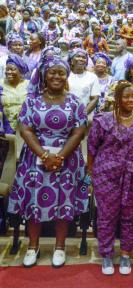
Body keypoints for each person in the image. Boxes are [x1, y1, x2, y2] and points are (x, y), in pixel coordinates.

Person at [7, 57, 89, 268]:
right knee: (34, 202)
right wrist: (44, 155)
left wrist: (60, 156)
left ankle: (59, 247)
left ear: (66, 76)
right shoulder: (32, 100)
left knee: (64, 201)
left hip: (67, 159)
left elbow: (79, 131)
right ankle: (33, 247)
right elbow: (25, 130)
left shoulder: (75, 102)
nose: (57, 76)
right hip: (35, 159)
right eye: (52, 72)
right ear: (43, 74)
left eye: (61, 72)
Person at [88, 81, 133, 275]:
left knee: (131, 216)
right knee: (107, 215)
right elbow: (92, 147)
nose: (131, 100)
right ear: (117, 99)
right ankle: (107, 254)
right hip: (106, 176)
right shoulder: (102, 120)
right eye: (126, 96)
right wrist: (92, 171)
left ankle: (126, 254)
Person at [67, 49, 101, 115]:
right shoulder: (66, 76)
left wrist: (83, 114)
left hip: (85, 115)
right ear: (71, 61)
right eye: (78, 56)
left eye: (84, 57)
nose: (81, 59)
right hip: (65, 114)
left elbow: (95, 98)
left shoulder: (92, 77)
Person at [1, 54, 29, 131]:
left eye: (12, 69)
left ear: (20, 71)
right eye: (7, 69)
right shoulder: (1, 84)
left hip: (25, 128)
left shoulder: (29, 85)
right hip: (5, 128)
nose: (9, 72)